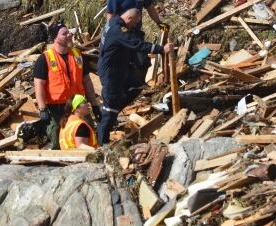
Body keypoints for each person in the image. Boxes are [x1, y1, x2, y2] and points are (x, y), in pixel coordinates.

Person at [97, 8, 173, 145]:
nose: (133, 26)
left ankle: (113, 110)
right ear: (129, 19)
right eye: (134, 23)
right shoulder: (119, 30)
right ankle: (101, 143)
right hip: (111, 74)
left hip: (119, 69)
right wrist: (161, 49)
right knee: (110, 110)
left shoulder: (114, 20)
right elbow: (136, 44)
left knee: (137, 85)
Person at [18, 23, 99, 149]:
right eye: (64, 34)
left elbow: (87, 81)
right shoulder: (45, 58)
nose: (69, 35)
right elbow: (39, 84)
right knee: (58, 138)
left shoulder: (78, 55)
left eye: (69, 33)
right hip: (57, 107)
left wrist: (94, 104)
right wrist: (42, 109)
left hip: (77, 103)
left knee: (86, 130)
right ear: (55, 38)